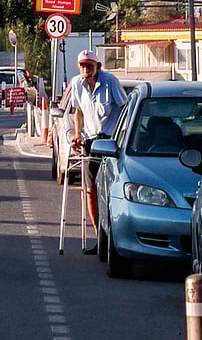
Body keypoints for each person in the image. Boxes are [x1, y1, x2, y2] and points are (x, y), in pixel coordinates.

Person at [66, 49, 126, 255]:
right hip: (90, 142)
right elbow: (78, 112)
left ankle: (114, 239)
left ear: (98, 67)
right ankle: (100, 238)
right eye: (82, 65)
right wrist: (77, 134)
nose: (86, 69)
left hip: (110, 142)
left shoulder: (110, 81)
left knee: (110, 191)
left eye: (89, 65)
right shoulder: (76, 84)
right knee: (90, 191)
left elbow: (124, 108)